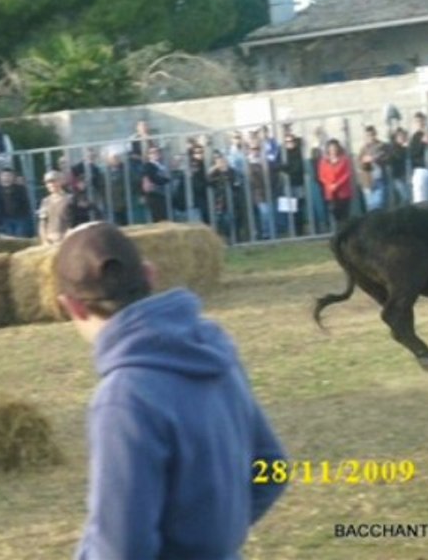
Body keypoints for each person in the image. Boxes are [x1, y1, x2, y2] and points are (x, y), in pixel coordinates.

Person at [53, 222, 287, 559]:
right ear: (150, 274)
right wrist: (213, 537)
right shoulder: (214, 348)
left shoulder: (124, 398)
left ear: (71, 306)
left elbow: (122, 549)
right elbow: (272, 467)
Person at [317, 138, 354, 226]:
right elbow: (321, 176)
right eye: (331, 148)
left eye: (335, 148)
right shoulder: (324, 161)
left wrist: (337, 184)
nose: (333, 150)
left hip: (343, 192)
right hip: (331, 193)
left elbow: (347, 173)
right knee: (335, 215)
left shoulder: (344, 159)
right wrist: (329, 185)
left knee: (345, 215)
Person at [37, 170, 73, 245]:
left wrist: (67, 237)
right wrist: (44, 240)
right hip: (49, 242)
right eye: (47, 182)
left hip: (66, 241)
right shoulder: (45, 201)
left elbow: (76, 221)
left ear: (60, 181)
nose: (50, 184)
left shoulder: (71, 199)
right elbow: (42, 223)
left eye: (53, 181)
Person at [0, 168, 33, 237]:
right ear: (0, 177)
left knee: (20, 239)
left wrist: (24, 215)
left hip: (20, 218)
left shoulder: (20, 189)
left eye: (9, 175)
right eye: (4, 175)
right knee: (8, 241)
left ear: (13, 177)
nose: (7, 177)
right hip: (4, 219)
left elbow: (25, 203)